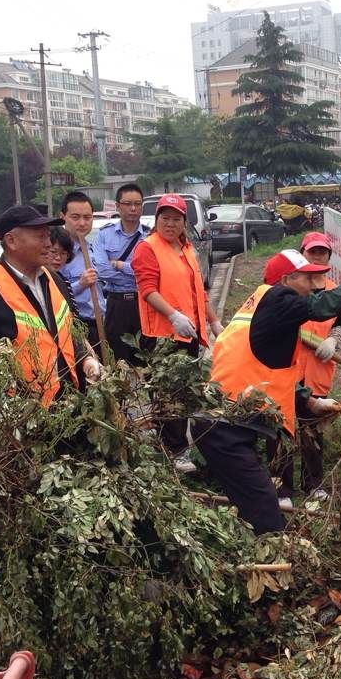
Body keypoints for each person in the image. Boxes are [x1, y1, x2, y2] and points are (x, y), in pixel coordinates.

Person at [194, 248, 341, 534]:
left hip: (222, 424)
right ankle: (272, 566)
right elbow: (333, 301)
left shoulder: (259, 304)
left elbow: (263, 370)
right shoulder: (280, 300)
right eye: (306, 279)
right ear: (286, 280)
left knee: (254, 504)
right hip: (225, 432)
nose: (313, 285)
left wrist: (309, 402)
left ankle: (251, 551)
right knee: (267, 519)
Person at [0, 204, 101, 405]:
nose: (49, 243)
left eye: (48, 235)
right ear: (11, 241)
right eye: (40, 236)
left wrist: (86, 359)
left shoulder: (54, 279)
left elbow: (67, 330)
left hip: (69, 405)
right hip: (23, 416)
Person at [133, 193, 223, 473]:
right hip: (163, 336)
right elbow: (147, 290)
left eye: (176, 219)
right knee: (168, 394)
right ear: (156, 219)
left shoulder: (186, 249)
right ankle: (174, 452)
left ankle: (176, 447)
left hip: (190, 333)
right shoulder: (147, 248)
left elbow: (200, 291)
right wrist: (172, 315)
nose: (170, 224)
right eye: (165, 218)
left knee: (182, 394)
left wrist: (214, 321)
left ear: (184, 223)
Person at [268, 233, 341, 508]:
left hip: (317, 372)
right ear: (303, 254)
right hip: (287, 371)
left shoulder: (334, 291)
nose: (318, 256)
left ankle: (313, 485)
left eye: (323, 253)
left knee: (313, 432)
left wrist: (334, 341)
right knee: (281, 429)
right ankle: (281, 488)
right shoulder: (291, 288)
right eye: (313, 252)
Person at [92, 183, 148, 364]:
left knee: (145, 358)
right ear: (117, 206)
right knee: (118, 360)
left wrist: (119, 265)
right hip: (116, 304)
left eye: (138, 204)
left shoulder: (150, 236)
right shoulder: (104, 235)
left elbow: (150, 273)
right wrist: (135, 270)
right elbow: (103, 271)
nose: (133, 208)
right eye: (128, 203)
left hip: (144, 302)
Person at [58, 191, 106, 355]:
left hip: (99, 326)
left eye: (87, 217)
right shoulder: (57, 253)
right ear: (63, 216)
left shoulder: (91, 249)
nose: (82, 223)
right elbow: (54, 293)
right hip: (77, 328)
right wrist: (81, 284)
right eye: (75, 217)